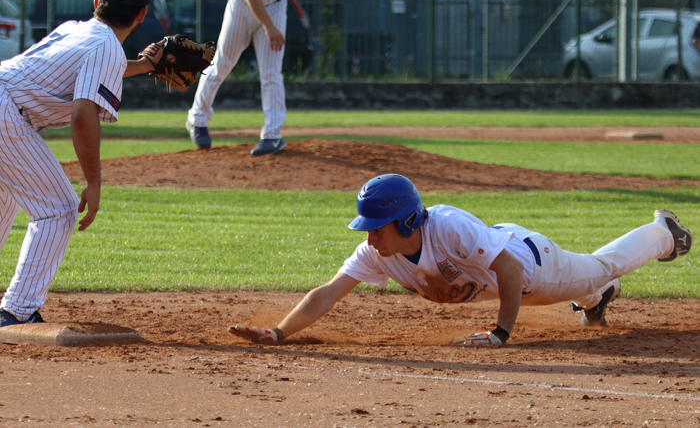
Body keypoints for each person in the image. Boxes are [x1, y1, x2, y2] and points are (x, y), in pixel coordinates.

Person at [230, 173, 693, 345]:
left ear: (408, 223)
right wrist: (278, 332)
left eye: (377, 227)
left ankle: (662, 234)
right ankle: (597, 297)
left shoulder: (446, 225)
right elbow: (328, 293)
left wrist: (501, 333)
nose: (369, 237)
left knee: (600, 266)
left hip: (534, 268)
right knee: (595, 279)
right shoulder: (379, 253)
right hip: (501, 264)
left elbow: (508, 270)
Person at [0, 0, 156, 327]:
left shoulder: (76, 29)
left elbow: (93, 68)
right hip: (7, 114)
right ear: (142, 14)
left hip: (6, 97)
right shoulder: (107, 49)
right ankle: (16, 311)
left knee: (7, 198)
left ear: (97, 2)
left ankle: (15, 310)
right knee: (58, 209)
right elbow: (83, 116)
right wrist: (94, 183)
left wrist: (146, 65)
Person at [186, 0, 307, 155]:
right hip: (242, 3)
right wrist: (269, 26)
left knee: (271, 71)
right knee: (222, 63)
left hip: (275, 5)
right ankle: (197, 118)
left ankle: (273, 135)